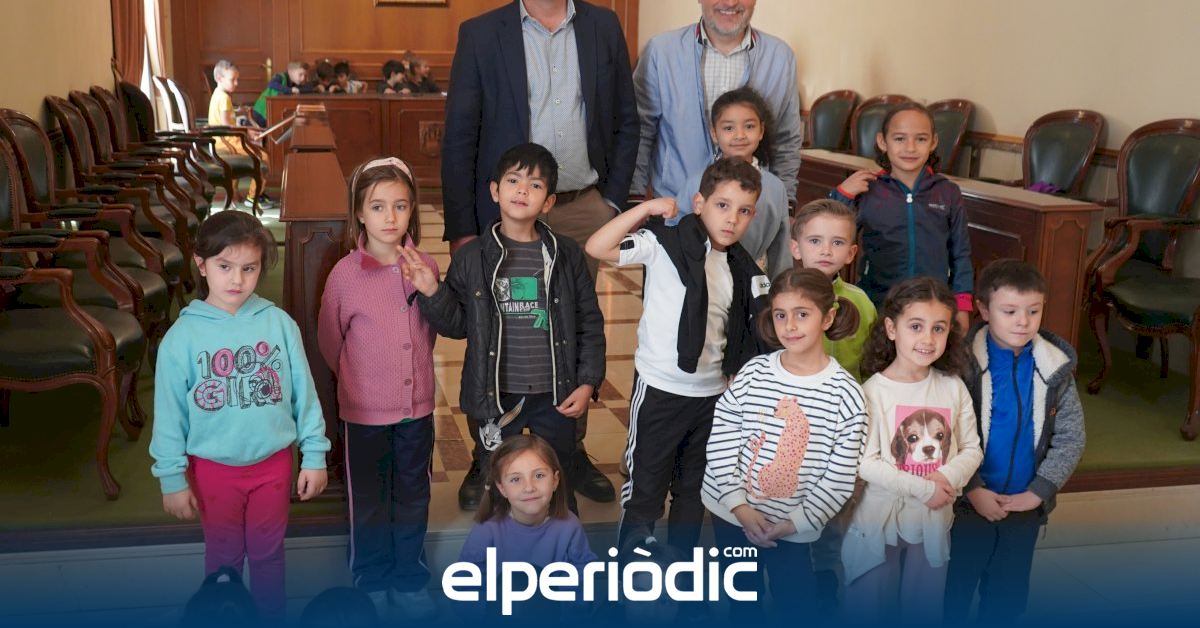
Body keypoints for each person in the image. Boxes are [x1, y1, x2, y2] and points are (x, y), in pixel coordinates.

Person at [442, 0, 638, 508]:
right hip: (504, 214)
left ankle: (567, 453)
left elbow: (625, 119)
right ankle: (487, 454)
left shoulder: (603, 25)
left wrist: (611, 201)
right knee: (496, 327)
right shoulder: (482, 34)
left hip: (582, 206)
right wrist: (463, 229)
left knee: (569, 326)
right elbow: (459, 135)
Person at [406, 143, 605, 515]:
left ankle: (563, 543)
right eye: (514, 181)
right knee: (500, 481)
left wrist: (588, 381)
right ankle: (502, 544)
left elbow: (589, 323)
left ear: (548, 202)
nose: (522, 190)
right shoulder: (472, 257)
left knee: (556, 480)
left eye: (535, 185)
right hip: (494, 395)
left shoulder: (566, 255)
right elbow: (458, 326)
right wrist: (432, 292)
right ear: (495, 190)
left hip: (556, 394)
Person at [150, 210, 331, 621]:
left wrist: (315, 455)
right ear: (201, 265)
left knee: (269, 554)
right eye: (225, 267)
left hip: (273, 464)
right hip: (213, 470)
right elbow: (170, 415)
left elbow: (304, 395)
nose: (237, 280)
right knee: (224, 558)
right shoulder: (182, 338)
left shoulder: (279, 325)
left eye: (249, 268)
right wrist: (172, 478)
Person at [586, 157, 770, 554]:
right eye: (722, 205)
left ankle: (681, 573)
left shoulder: (742, 267)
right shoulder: (662, 244)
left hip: (712, 397)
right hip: (660, 391)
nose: (732, 219)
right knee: (645, 490)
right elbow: (597, 247)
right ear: (699, 203)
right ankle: (631, 576)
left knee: (692, 493)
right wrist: (646, 209)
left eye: (744, 211)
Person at [703, 267, 867, 621]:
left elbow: (839, 477)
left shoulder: (846, 394)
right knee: (742, 603)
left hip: (793, 526)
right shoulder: (753, 372)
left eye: (802, 314)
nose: (789, 326)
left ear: (828, 317)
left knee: (796, 605)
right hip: (731, 513)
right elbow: (722, 438)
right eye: (780, 315)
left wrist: (797, 521)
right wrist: (738, 506)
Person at [317, 158, 439, 621]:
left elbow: (431, 331)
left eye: (400, 206)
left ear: (412, 211)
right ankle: (370, 578)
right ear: (359, 214)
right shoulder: (344, 275)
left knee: (413, 495)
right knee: (369, 500)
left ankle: (409, 577)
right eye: (378, 206)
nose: (390, 217)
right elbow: (331, 342)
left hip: (416, 411)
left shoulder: (425, 265)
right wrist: (361, 381)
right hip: (364, 414)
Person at [943, 260, 1086, 624]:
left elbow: (1071, 436)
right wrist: (972, 489)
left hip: (1024, 508)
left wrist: (1039, 491)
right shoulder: (961, 364)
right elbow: (946, 433)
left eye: (1033, 311)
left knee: (1005, 601)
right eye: (1009, 311)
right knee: (951, 595)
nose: (1023, 321)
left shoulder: (1055, 369)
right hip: (966, 506)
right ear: (983, 309)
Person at [840, 277, 982, 624]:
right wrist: (923, 488)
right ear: (892, 329)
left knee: (922, 606)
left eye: (938, 328)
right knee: (871, 604)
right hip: (879, 520)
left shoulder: (953, 387)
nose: (927, 339)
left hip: (932, 520)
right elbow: (866, 463)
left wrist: (946, 477)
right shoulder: (872, 392)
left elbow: (971, 448)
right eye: (916, 326)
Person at [788, 198, 877, 611]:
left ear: (851, 252)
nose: (826, 250)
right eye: (815, 240)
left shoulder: (860, 302)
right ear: (795, 246)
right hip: (791, 429)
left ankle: (825, 574)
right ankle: (788, 577)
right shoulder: (779, 296)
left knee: (832, 505)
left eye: (837, 242)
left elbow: (872, 368)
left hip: (841, 430)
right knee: (787, 503)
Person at [632, 0, 802, 204]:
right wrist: (635, 197)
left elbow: (786, 141)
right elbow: (640, 131)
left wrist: (786, 202)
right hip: (675, 207)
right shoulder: (661, 52)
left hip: (749, 211)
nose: (730, 3)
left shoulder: (780, 58)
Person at [830, 101, 973, 330]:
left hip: (932, 306)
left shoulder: (947, 192)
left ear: (933, 142)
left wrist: (962, 304)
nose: (910, 147)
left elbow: (961, 253)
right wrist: (842, 194)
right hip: (877, 303)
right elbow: (828, 229)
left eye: (921, 139)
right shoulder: (868, 189)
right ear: (882, 141)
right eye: (899, 138)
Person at [456, 434, 597, 619]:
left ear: (555, 480)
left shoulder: (570, 526)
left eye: (539, 476)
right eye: (516, 479)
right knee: (517, 580)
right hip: (498, 617)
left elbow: (582, 579)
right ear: (501, 487)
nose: (529, 487)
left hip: (552, 616)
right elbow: (466, 583)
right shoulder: (487, 529)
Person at [671, 86, 790, 279]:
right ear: (714, 133)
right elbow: (675, 231)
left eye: (749, 126)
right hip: (702, 277)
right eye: (728, 128)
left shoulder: (775, 188)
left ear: (761, 131)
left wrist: (782, 289)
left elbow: (780, 249)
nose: (739, 135)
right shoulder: (696, 182)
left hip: (753, 280)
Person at [252, 61, 310, 125]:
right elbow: (271, 84)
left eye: (305, 76)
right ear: (290, 72)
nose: (303, 78)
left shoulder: (295, 83)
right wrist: (290, 90)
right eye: (300, 74)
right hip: (261, 111)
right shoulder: (280, 77)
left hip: (273, 113)